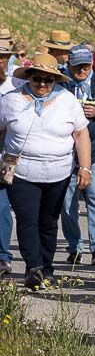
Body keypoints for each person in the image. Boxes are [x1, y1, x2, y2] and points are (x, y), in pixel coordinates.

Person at [0, 52, 91, 291]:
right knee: (27, 220)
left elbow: (81, 134)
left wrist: (85, 167)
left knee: (49, 222)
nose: (42, 84)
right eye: (37, 79)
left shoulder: (67, 100)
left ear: (55, 81)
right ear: (28, 77)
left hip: (58, 173)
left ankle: (47, 268)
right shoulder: (10, 100)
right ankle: (34, 268)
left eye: (48, 80)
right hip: (22, 172)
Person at [60, 45, 95, 266]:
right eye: (77, 66)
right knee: (67, 205)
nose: (82, 70)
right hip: (66, 157)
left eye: (85, 65)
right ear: (69, 65)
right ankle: (75, 247)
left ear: (92, 63)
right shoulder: (62, 85)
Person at [0, 34, 18, 276]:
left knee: (2, 207)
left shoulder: (15, 85)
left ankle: (3, 256)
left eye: (3, 58)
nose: (0, 62)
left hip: (5, 155)